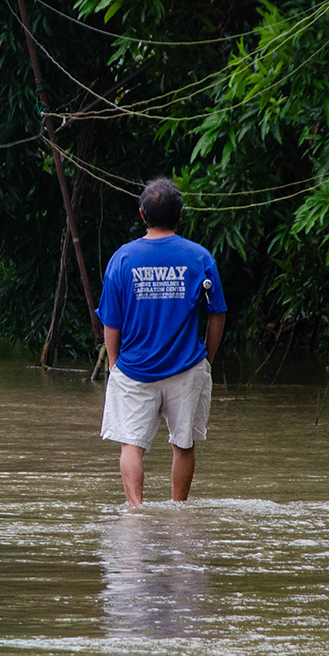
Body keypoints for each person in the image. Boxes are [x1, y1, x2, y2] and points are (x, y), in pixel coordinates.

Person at [96, 178, 226, 506]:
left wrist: (114, 365)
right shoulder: (199, 258)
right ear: (180, 214)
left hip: (135, 368)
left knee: (131, 444)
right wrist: (206, 360)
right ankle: (179, 512)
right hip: (186, 367)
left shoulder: (122, 259)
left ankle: (136, 513)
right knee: (183, 444)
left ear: (142, 214)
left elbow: (111, 321)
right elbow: (217, 314)